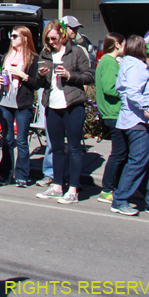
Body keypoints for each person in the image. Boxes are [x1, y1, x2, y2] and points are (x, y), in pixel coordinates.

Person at [34, 20, 94, 205]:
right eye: (48, 39)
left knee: (74, 148)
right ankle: (57, 185)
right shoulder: (45, 54)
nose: (51, 42)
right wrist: (41, 76)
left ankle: (73, 190)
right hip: (53, 105)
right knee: (56, 148)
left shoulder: (76, 52)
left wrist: (70, 75)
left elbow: (89, 76)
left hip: (73, 104)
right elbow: (39, 84)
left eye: (54, 38)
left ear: (62, 35)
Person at [110, 36, 149, 216]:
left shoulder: (133, 65)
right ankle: (120, 199)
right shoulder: (135, 66)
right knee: (138, 161)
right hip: (138, 122)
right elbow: (133, 93)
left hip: (141, 122)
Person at [0, 26, 40, 187]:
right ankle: (6, 175)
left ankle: (22, 176)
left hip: (22, 104)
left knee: (21, 140)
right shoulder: (7, 56)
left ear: (25, 38)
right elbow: (2, 75)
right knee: (7, 140)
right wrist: (2, 81)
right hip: (5, 101)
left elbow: (37, 83)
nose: (11, 38)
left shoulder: (33, 59)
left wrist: (23, 76)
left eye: (15, 36)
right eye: (11, 35)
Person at [94, 33, 127, 203]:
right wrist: (128, 91)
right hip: (113, 113)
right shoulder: (108, 62)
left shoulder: (109, 61)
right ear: (117, 45)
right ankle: (107, 189)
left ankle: (115, 186)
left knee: (121, 152)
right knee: (119, 153)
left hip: (114, 113)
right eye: (124, 44)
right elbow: (109, 88)